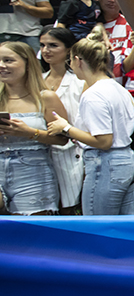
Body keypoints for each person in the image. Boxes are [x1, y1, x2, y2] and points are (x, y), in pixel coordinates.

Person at [47, 36, 134, 215]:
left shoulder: (93, 95)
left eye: (70, 61)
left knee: (97, 224)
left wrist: (66, 128)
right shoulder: (117, 88)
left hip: (106, 163)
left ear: (78, 61)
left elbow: (104, 141)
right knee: (126, 225)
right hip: (126, 159)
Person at [0, 42, 68, 215]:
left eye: (8, 60)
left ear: (28, 63)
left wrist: (30, 133)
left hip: (33, 173)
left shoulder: (46, 98)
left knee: (31, 228)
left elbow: (63, 138)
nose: (1, 65)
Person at [40, 26, 85, 214]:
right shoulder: (37, 80)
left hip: (74, 154)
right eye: (42, 45)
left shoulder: (79, 82)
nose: (46, 50)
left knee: (71, 208)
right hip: (41, 154)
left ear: (68, 49)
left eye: (53, 45)